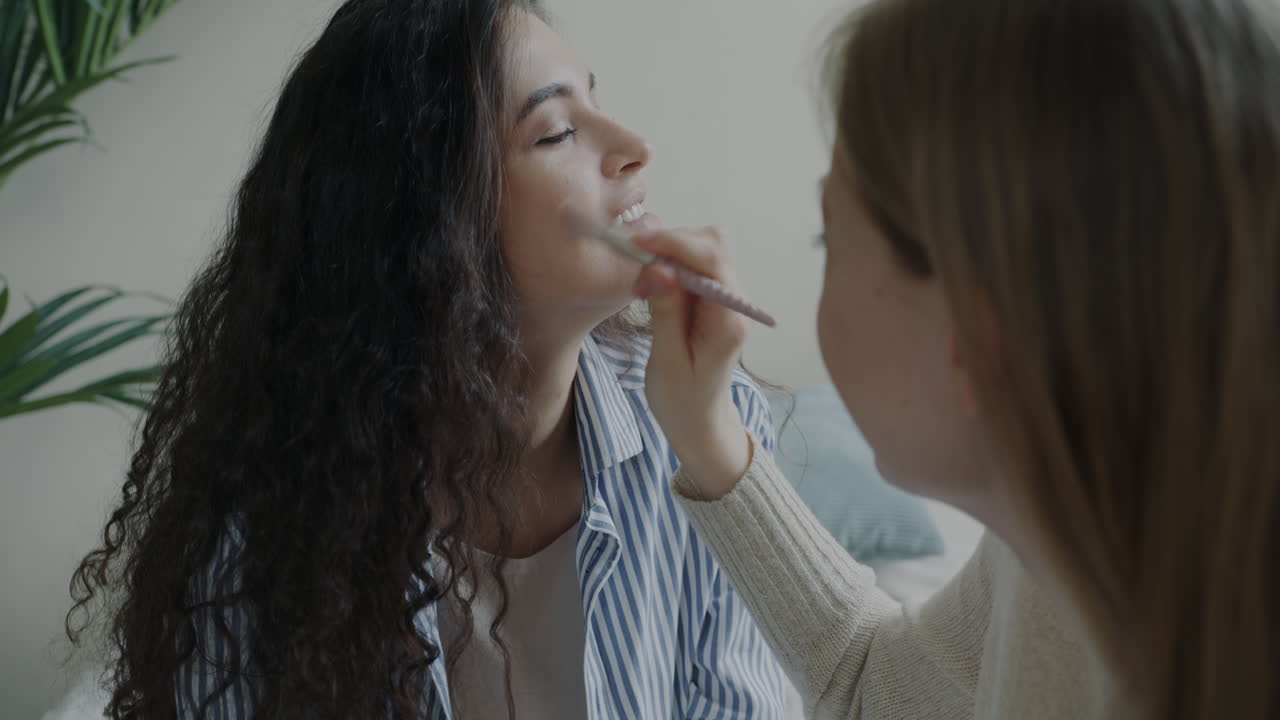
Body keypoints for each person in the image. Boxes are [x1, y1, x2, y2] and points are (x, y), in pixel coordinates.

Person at [65, 1, 788, 718]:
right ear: (425, 226)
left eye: (595, 101)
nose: (633, 145)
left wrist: (716, 448)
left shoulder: (706, 430)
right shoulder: (271, 524)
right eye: (557, 132)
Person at [633, 0, 1280, 718]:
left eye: (829, 240)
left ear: (974, 341)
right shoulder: (1060, 534)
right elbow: (874, 684)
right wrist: (705, 431)